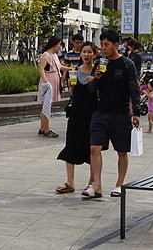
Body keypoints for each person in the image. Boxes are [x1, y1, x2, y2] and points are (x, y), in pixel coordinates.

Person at [83, 29, 140, 199]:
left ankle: (120, 184)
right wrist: (97, 77)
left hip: (120, 113)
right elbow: (91, 91)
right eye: (101, 44)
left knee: (122, 151)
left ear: (116, 45)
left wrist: (136, 112)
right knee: (94, 148)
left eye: (106, 44)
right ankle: (97, 186)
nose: (103, 48)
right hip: (101, 112)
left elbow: (134, 89)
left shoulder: (127, 64)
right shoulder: (100, 64)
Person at [56, 41, 99, 195]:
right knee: (71, 144)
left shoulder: (98, 73)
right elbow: (74, 94)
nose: (86, 55)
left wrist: (96, 81)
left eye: (89, 52)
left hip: (93, 113)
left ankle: (92, 182)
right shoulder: (75, 71)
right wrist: (71, 87)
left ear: (95, 54)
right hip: (76, 113)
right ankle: (70, 182)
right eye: (84, 52)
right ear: (80, 54)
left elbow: (102, 95)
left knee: (92, 148)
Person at [37, 36, 73, 138]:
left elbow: (59, 67)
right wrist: (46, 82)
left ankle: (43, 128)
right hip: (49, 81)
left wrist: (72, 69)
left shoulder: (54, 55)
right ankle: (45, 129)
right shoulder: (46, 55)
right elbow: (41, 69)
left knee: (49, 105)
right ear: (54, 44)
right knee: (47, 105)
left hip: (54, 80)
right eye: (58, 44)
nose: (59, 47)